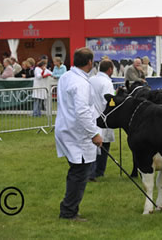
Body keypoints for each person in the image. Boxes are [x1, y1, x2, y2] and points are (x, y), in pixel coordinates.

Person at [56, 47, 103, 221]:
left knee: (77, 171)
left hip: (67, 129)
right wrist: (94, 134)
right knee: (79, 173)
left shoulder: (67, 76)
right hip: (77, 133)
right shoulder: (80, 83)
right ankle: (68, 211)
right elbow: (82, 111)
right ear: (90, 62)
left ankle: (69, 208)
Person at [89, 59, 115, 181]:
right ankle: (97, 171)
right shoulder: (107, 82)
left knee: (92, 144)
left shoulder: (91, 79)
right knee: (103, 144)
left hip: (90, 115)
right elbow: (108, 101)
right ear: (110, 69)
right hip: (102, 116)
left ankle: (93, 171)